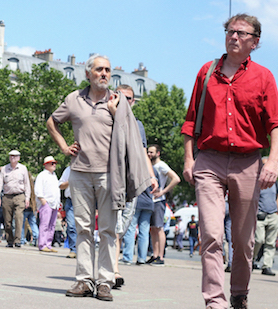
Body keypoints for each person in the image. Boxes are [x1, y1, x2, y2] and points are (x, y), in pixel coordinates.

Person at [180, 13, 278, 309]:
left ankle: (239, 292)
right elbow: (191, 122)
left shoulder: (263, 77)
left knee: (244, 241)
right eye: (230, 31)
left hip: (247, 162)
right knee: (212, 234)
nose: (234, 37)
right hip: (210, 161)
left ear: (255, 42)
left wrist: (273, 161)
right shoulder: (207, 72)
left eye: (241, 33)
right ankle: (215, 301)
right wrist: (189, 159)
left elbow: (277, 124)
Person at [47, 54, 153, 302]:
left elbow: (131, 138)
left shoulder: (117, 101)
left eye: (108, 70)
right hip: (81, 173)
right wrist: (63, 147)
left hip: (109, 174)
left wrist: (117, 114)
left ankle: (104, 282)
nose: (105, 73)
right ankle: (84, 280)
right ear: (88, 74)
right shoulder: (74, 99)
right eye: (99, 70)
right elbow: (52, 121)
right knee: (82, 228)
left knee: (107, 230)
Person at [113, 84, 157, 287]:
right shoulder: (107, 116)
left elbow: (142, 152)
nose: (125, 101)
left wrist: (151, 176)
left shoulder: (138, 125)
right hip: (111, 178)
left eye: (129, 98)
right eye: (121, 96)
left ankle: (109, 265)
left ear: (133, 102)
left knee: (122, 226)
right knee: (113, 225)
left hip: (130, 181)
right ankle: (113, 269)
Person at [146, 144, 180, 266]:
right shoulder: (151, 166)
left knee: (159, 228)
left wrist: (163, 192)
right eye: (148, 152)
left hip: (158, 201)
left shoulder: (161, 166)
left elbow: (176, 178)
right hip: (150, 200)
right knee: (152, 229)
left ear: (158, 153)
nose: (149, 154)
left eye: (151, 152)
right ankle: (154, 255)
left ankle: (160, 256)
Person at [0, 150, 31, 248]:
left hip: (20, 195)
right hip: (7, 196)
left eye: (15, 156)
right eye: (11, 156)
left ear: (19, 158)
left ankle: (18, 240)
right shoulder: (4, 169)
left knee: (19, 218)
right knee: (7, 221)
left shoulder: (23, 168)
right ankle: (10, 240)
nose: (13, 158)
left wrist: (27, 198)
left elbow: (27, 184)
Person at [253, 157, 278, 276]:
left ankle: (267, 266)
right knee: (259, 240)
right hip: (260, 215)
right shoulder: (256, 180)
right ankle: (251, 260)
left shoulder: (274, 180)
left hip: (272, 214)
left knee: (270, 242)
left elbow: (277, 195)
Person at [35, 156, 61, 253]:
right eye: (52, 163)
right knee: (44, 225)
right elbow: (38, 188)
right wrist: (42, 200)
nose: (54, 165)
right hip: (46, 202)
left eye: (54, 163)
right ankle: (42, 244)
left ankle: (48, 244)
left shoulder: (54, 175)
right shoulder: (42, 175)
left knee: (52, 225)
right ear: (46, 165)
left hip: (54, 203)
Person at [58, 166, 76, 259]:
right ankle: (73, 250)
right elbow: (60, 185)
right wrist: (70, 182)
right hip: (70, 201)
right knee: (71, 226)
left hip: (84, 201)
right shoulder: (68, 169)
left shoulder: (88, 167)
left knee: (84, 227)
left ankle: (84, 250)